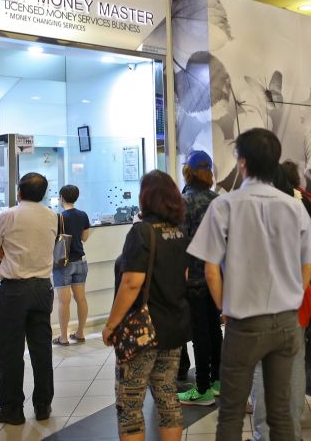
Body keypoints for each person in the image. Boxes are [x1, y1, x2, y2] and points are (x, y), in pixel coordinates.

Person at [187, 128, 311, 441]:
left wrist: (224, 307)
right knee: (281, 415)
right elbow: (310, 266)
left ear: (242, 163)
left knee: (232, 414)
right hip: (287, 322)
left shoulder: (224, 206)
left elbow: (210, 270)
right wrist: (291, 296)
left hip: (244, 322)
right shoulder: (294, 206)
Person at [103, 170, 191, 441]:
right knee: (167, 396)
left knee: (129, 403)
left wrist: (110, 325)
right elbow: (184, 279)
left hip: (142, 333)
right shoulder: (179, 233)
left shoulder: (141, 232)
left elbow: (131, 283)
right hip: (173, 327)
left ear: (146, 197)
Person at [249, 164, 311, 441]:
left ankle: (263, 435)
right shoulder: (302, 210)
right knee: (294, 363)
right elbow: (310, 267)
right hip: (297, 302)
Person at [0, 172, 58, 425]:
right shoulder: (53, 216)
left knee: (9, 351)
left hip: (15, 289)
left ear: (19, 191)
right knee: (41, 349)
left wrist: (12, 257)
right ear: (44, 193)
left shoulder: (8, 215)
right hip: (42, 288)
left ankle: (12, 408)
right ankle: (43, 405)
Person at [177, 151, 222, 406]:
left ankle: (202, 388)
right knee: (215, 330)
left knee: (200, 334)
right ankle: (217, 381)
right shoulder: (218, 201)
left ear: (189, 172)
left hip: (193, 278)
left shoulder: (184, 202)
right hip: (216, 276)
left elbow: (182, 244)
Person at [52, 184, 91, 346]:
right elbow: (85, 237)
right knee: (81, 298)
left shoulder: (59, 217)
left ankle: (63, 337)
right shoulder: (83, 215)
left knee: (64, 301)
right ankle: (80, 333)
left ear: (61, 198)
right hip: (80, 261)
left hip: (64, 263)